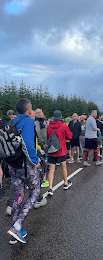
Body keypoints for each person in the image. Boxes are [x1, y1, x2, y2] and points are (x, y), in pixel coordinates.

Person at [6, 98, 41, 244]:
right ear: (28, 108)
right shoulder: (28, 121)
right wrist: (35, 161)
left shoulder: (10, 123)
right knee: (35, 192)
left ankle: (15, 230)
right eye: (31, 108)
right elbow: (28, 145)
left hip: (12, 166)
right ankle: (17, 225)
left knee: (18, 197)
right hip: (25, 166)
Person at [47, 110, 73, 196]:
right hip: (61, 150)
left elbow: (47, 137)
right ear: (61, 116)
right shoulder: (63, 125)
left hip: (51, 150)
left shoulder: (49, 126)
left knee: (51, 169)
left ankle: (50, 188)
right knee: (63, 167)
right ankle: (65, 183)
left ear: (53, 117)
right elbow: (69, 136)